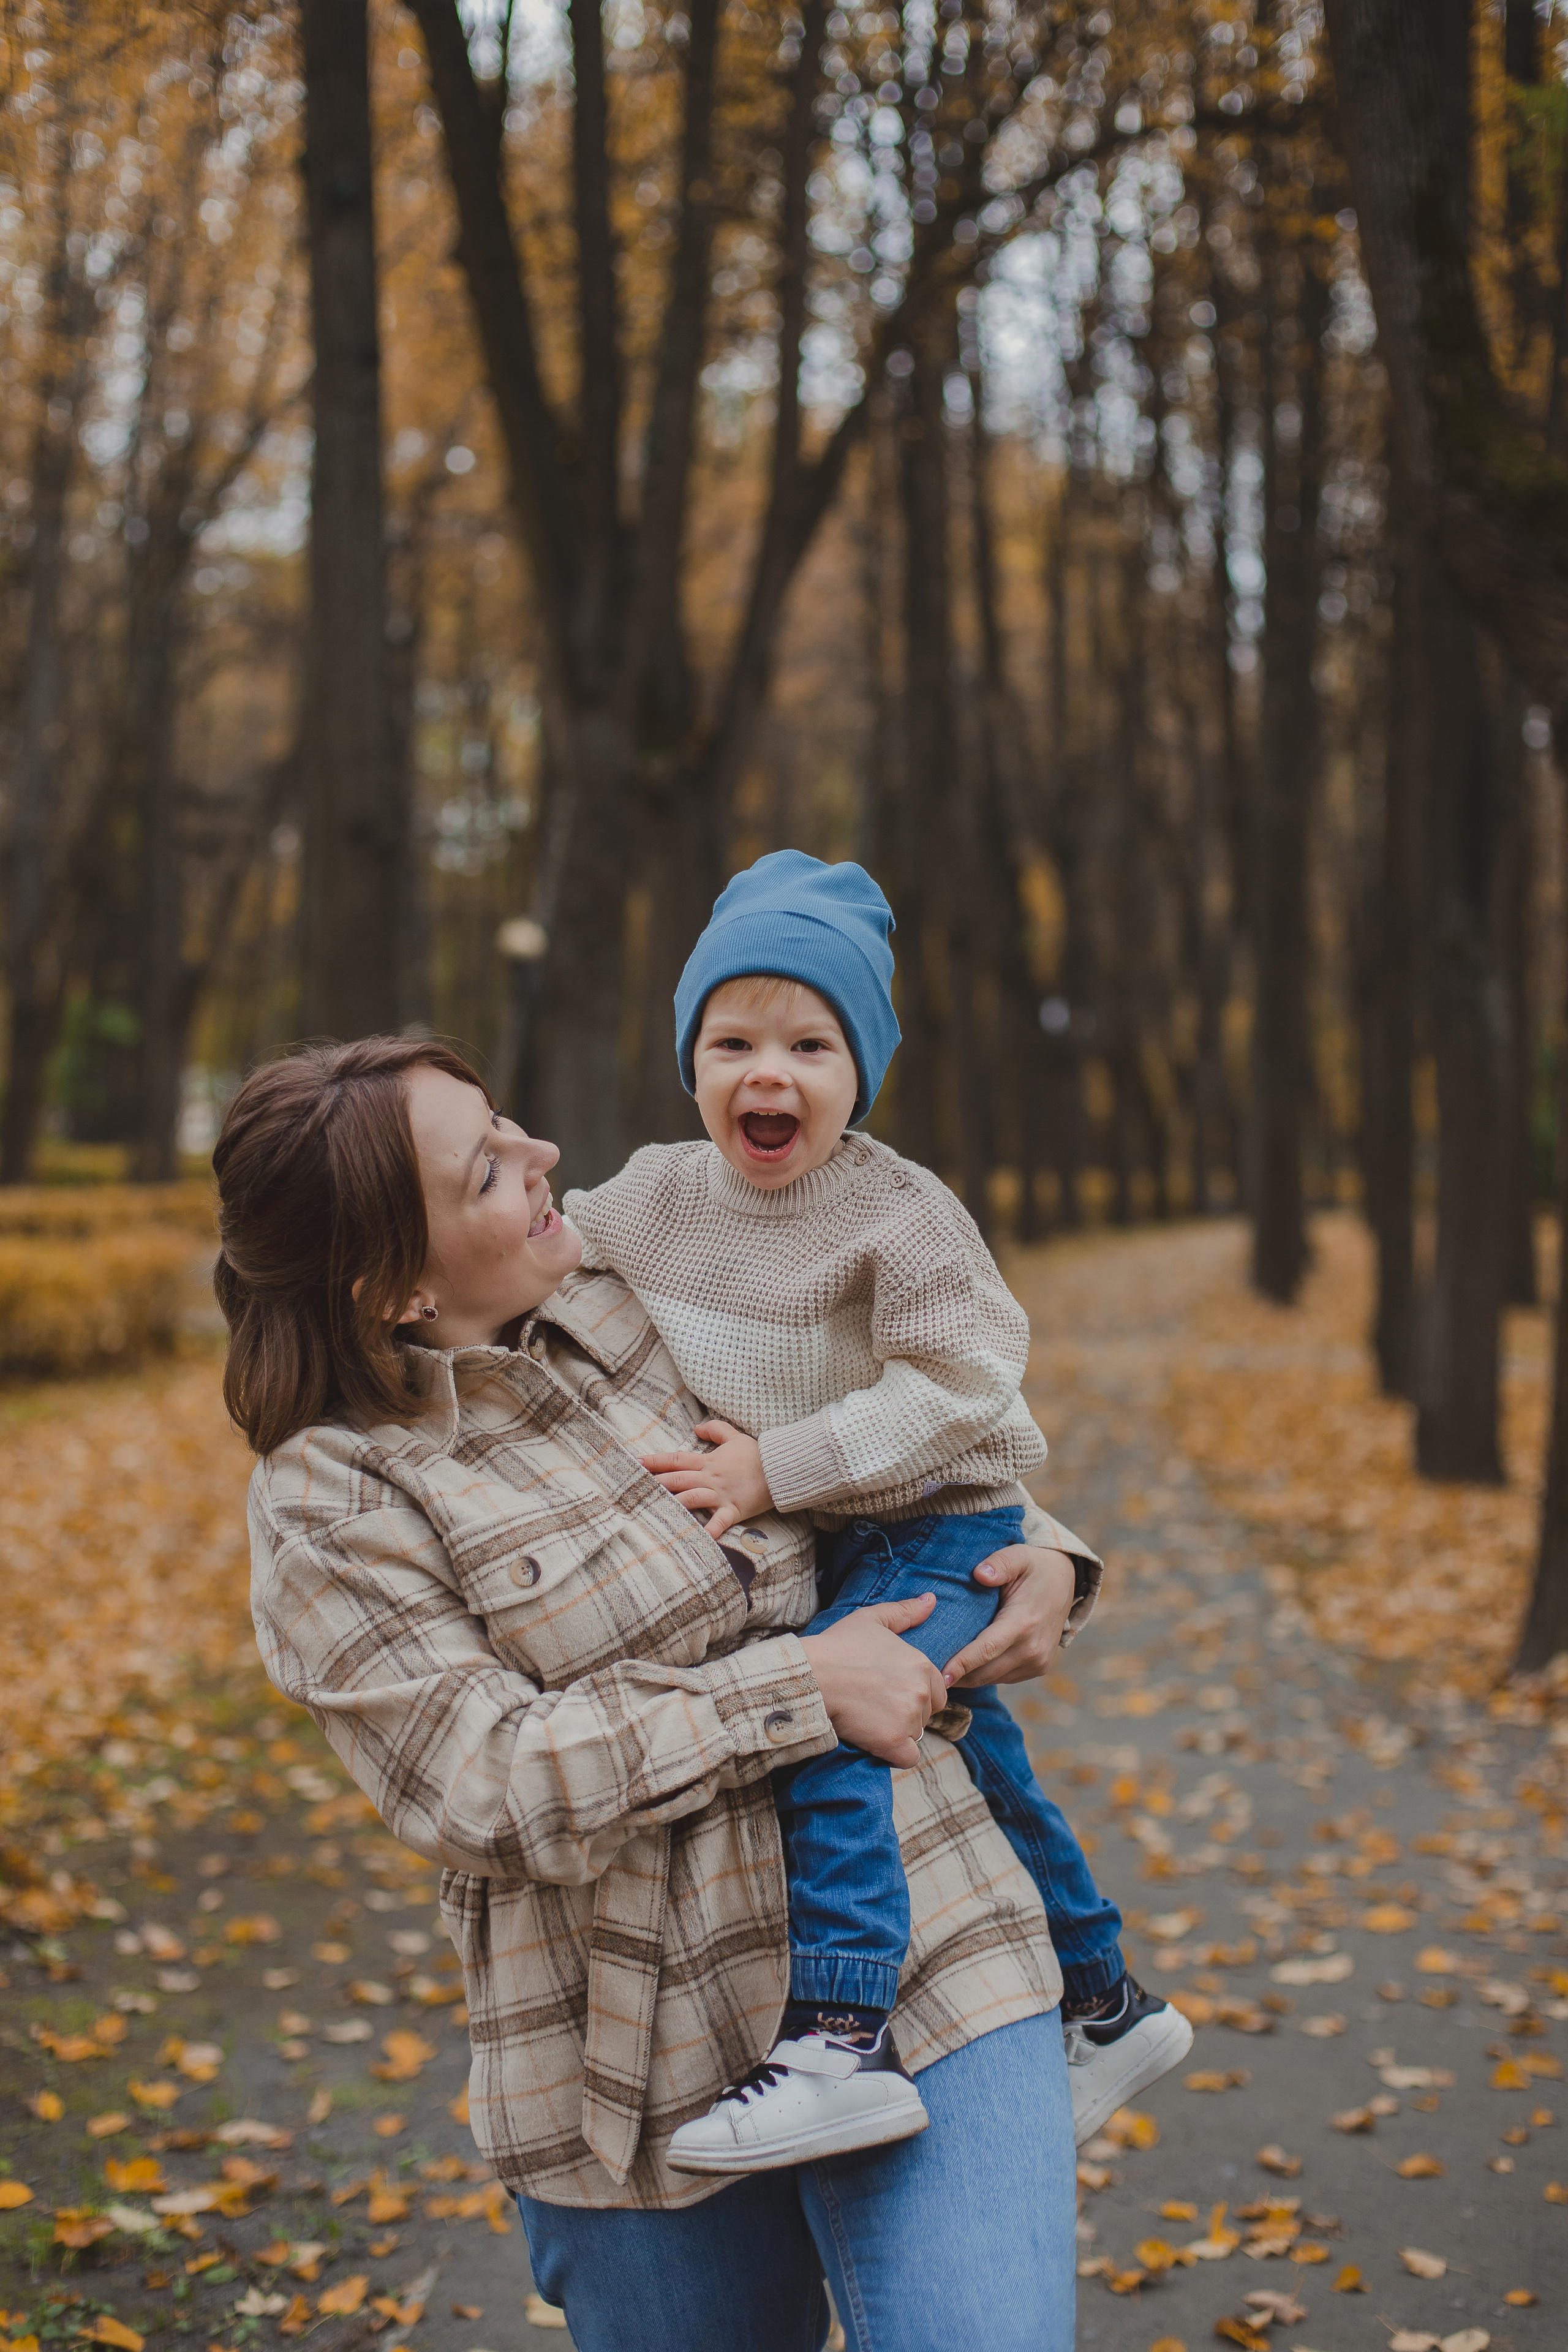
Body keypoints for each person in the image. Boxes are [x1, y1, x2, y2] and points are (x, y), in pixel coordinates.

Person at [218, 1034, 1096, 2352]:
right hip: (626, 2067)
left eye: (509, 1124)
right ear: (391, 1285)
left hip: (924, 1936)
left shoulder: (643, 1292)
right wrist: (795, 1688)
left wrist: (1047, 1553)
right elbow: (485, 1778)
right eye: (487, 1174)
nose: (543, 1158)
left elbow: (881, 1427)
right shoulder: (333, 1500)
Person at [565, 850, 1191, 2163]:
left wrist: (770, 1469)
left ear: (860, 1074)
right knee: (989, 1760)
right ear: (690, 1063)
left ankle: (837, 2038)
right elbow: (546, 1252)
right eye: (730, 1039)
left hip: (943, 1512)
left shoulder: (897, 1215)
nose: (767, 1073)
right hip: (859, 1524)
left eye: (810, 1041)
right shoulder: (657, 1193)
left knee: (835, 1735)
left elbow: (963, 1387)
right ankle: (1107, 2001)